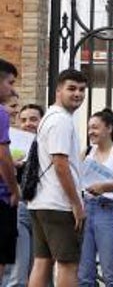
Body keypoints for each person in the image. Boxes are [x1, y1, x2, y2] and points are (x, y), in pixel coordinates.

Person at [28, 69, 87, 287]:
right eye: (72, 88)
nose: (78, 94)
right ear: (58, 90)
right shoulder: (61, 120)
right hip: (59, 204)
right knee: (68, 264)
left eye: (82, 90)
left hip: (42, 201)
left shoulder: (49, 118)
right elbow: (60, 164)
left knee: (42, 262)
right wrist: (76, 203)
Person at [77, 108, 113, 287]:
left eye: (95, 127)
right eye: (89, 128)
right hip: (86, 209)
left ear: (109, 128)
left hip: (107, 210)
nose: (90, 132)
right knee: (84, 274)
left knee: (110, 273)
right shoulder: (87, 151)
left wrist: (105, 187)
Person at [4, 103, 43, 287]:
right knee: (17, 272)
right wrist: (12, 166)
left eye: (33, 119)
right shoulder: (11, 145)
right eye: (24, 119)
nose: (28, 124)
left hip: (43, 210)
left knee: (39, 268)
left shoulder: (49, 146)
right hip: (21, 208)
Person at [0, 61, 19, 284]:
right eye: (10, 83)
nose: (13, 89)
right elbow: (3, 156)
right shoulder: (2, 114)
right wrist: (14, 189)